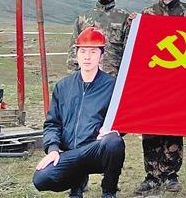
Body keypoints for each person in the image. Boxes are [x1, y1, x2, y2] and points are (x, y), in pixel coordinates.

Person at [34, 27, 124, 198]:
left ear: (101, 56)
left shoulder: (112, 86)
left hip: (95, 150)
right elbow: (52, 123)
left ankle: (109, 191)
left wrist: (114, 130)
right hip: (70, 153)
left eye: (93, 52)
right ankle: (76, 185)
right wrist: (53, 149)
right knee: (41, 178)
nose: (87, 57)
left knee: (114, 142)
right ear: (76, 54)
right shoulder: (63, 86)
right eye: (83, 51)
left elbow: (122, 119)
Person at [136, 0, 186, 195]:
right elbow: (141, 48)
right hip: (154, 81)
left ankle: (171, 174)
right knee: (150, 127)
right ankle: (152, 175)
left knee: (173, 126)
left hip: (179, 81)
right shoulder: (148, 14)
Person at [68, 0, 130, 76]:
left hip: (113, 78)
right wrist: (73, 77)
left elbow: (129, 53)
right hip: (86, 77)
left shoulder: (125, 18)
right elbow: (74, 51)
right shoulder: (83, 18)